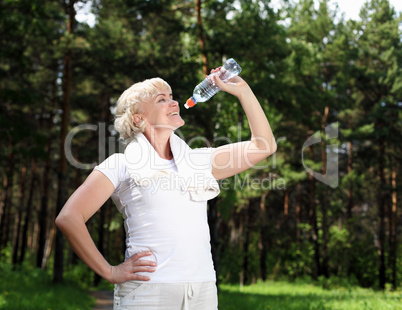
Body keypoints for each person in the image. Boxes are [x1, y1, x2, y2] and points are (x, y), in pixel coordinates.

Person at [55, 67, 277, 310]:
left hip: (202, 290)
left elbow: (263, 146)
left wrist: (243, 91)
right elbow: (69, 218)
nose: (174, 103)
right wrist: (109, 271)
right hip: (149, 292)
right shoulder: (122, 164)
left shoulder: (197, 162)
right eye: (162, 99)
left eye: (172, 97)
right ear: (138, 118)